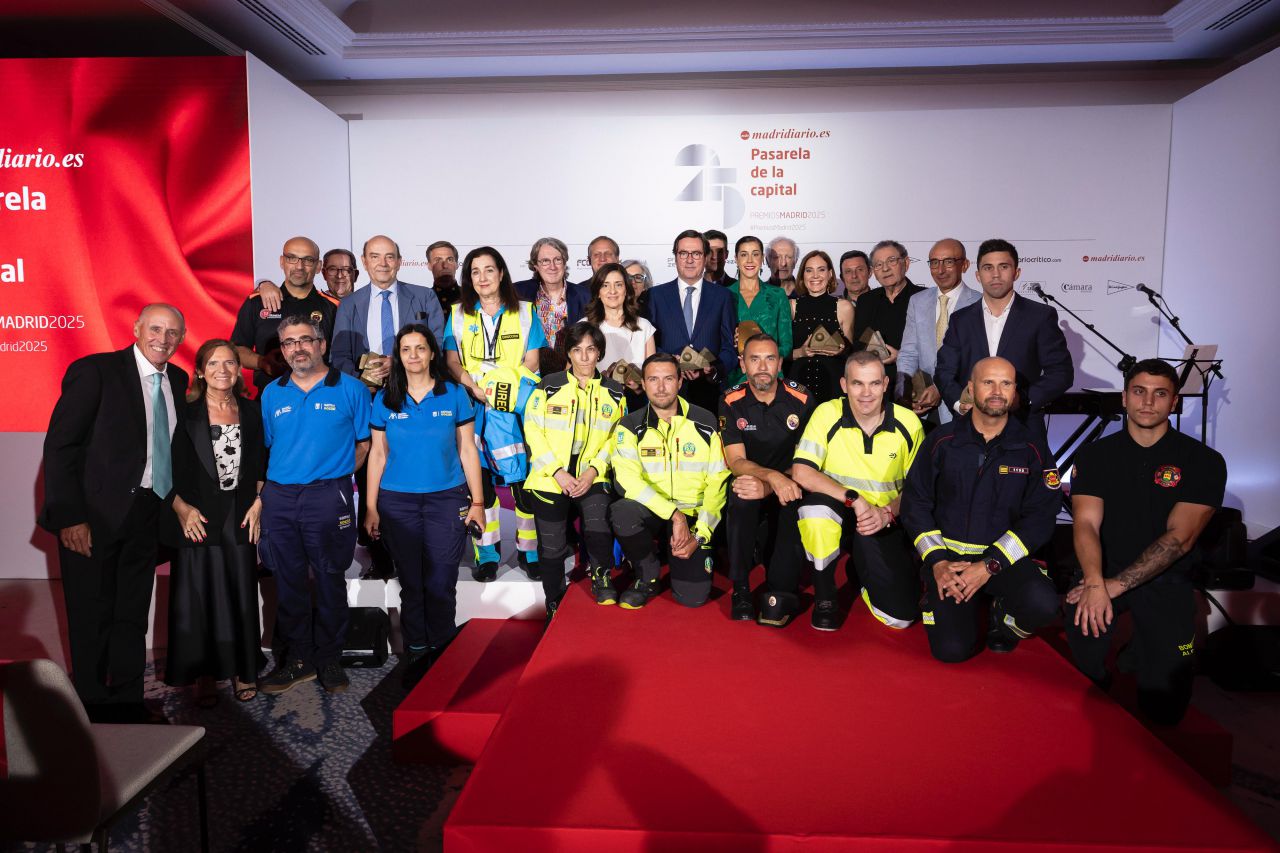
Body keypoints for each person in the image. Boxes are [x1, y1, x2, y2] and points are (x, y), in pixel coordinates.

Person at [39, 304, 188, 723]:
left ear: (181, 338)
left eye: (172, 332)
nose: (163, 339)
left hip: (148, 514)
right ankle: (90, 706)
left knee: (131, 615)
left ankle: (127, 700)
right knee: (90, 614)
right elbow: (61, 447)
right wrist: (70, 517)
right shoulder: (95, 371)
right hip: (93, 518)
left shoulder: (178, 380)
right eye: (155, 329)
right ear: (137, 329)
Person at [1065, 359, 1226, 724]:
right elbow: (1085, 522)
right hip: (1103, 570)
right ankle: (1104, 674)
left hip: (1167, 580)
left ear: (1175, 402)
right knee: (1082, 641)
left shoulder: (1204, 461)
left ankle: (1143, 651)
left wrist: (1114, 586)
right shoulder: (1095, 455)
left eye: (1160, 394)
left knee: (1165, 710)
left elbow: (1179, 539)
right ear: (1124, 398)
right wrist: (1094, 582)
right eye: (1139, 392)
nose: (1148, 402)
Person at [900, 357, 1062, 662]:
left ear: (1015, 391)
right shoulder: (941, 441)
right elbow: (915, 504)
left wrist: (990, 566)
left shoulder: (1032, 448)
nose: (997, 391)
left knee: (1043, 605)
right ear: (971, 389)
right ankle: (939, 598)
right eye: (988, 382)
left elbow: (1040, 517)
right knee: (951, 651)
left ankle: (1004, 618)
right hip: (949, 564)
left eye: (1006, 383)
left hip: (1003, 563)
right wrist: (937, 562)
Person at [363, 324, 486, 689]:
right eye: (406, 349)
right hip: (397, 504)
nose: (413, 355)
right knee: (412, 583)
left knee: (441, 582)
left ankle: (443, 655)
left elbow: (468, 450)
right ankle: (417, 653)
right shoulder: (386, 398)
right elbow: (377, 455)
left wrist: (478, 502)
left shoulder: (454, 394)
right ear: (397, 356)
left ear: (433, 353)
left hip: (447, 500)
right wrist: (370, 507)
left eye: (420, 348)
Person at [258, 315, 372, 696]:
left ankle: (329, 659)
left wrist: (338, 474)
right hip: (280, 499)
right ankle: (299, 660)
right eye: (289, 343)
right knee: (288, 582)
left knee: (329, 579)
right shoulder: (272, 393)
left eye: (305, 340)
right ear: (283, 350)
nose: (298, 348)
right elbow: (270, 446)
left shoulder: (352, 389)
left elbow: (364, 443)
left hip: (328, 497)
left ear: (321, 344)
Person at [164, 340, 266, 705]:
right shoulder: (182, 412)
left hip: (240, 511)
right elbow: (161, 465)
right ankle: (205, 673)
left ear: (239, 370)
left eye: (230, 363)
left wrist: (259, 502)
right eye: (213, 363)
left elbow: (262, 462)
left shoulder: (252, 411)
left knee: (241, 593)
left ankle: (243, 670)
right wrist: (180, 508)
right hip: (196, 514)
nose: (222, 370)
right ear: (200, 371)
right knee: (199, 596)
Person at [792, 352, 924, 632]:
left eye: (874, 384)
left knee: (901, 618)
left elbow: (917, 490)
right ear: (844, 385)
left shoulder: (909, 423)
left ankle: (859, 573)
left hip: (882, 520)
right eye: (857, 384)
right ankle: (825, 596)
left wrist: (887, 513)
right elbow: (801, 472)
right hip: (838, 510)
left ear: (886, 384)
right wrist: (854, 499)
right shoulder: (826, 413)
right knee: (814, 511)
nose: (866, 393)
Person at [445, 246, 547, 581]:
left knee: (523, 485)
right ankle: (487, 554)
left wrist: (503, 388)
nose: (483, 277)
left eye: (489, 270)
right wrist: (473, 387)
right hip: (472, 406)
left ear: (501, 273)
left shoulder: (526, 311)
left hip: (515, 409)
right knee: (481, 485)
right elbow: (452, 361)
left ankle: (529, 552)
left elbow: (533, 361)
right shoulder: (458, 314)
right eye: (475, 271)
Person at [524, 322, 628, 616]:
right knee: (552, 546)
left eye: (590, 350)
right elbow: (533, 431)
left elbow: (616, 439)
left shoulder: (615, 392)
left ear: (599, 354)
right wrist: (557, 472)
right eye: (577, 350)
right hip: (550, 477)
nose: (584, 357)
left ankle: (602, 579)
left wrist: (593, 471)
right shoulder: (548, 386)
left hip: (592, 476)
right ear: (568, 354)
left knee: (598, 528)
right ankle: (554, 598)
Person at [610, 354, 729, 609]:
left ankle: (681, 554)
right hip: (654, 511)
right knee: (622, 511)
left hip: (694, 513)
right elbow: (627, 481)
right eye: (653, 379)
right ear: (643, 383)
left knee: (693, 598)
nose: (661, 387)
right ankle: (647, 574)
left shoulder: (705, 421)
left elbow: (717, 482)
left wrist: (700, 535)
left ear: (680, 382)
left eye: (668, 379)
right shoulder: (629, 426)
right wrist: (675, 515)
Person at [935, 238, 1073, 443]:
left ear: (1016, 272)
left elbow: (1062, 373)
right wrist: (959, 404)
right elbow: (944, 371)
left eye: (1004, 267)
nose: (996, 274)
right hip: (969, 428)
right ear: (978, 275)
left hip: (1023, 427)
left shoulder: (1040, 316)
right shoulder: (960, 320)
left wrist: (1021, 400)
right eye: (988, 268)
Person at [720, 334, 816, 623]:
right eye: (755, 359)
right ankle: (740, 587)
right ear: (743, 364)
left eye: (770, 358)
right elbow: (736, 461)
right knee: (741, 496)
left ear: (780, 363)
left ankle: (779, 579)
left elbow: (808, 461)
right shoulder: (730, 399)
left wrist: (777, 483)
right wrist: (769, 479)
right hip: (755, 480)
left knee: (782, 582)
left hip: (792, 482)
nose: (762, 367)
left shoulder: (803, 399)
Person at [645, 229, 738, 412]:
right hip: (666, 393)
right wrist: (671, 361)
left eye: (696, 253)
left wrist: (713, 369)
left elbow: (729, 347)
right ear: (675, 257)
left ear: (705, 257)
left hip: (709, 395)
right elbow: (650, 344)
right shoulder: (655, 296)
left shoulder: (723, 296)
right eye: (683, 253)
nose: (689, 260)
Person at [231, 236, 337, 395]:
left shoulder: (332, 307)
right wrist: (262, 362)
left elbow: (342, 355)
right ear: (282, 262)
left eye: (308, 260)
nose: (299, 266)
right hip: (270, 396)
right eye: (292, 258)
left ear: (318, 266)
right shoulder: (257, 303)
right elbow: (236, 350)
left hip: (321, 396)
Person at [897, 238, 981, 426]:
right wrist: (905, 391)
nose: (940, 270)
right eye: (934, 262)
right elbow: (908, 353)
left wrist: (941, 388)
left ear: (965, 265)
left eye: (948, 262)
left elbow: (976, 361)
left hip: (962, 406)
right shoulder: (917, 301)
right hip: (922, 406)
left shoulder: (979, 303)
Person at [854, 240, 926, 388]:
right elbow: (860, 343)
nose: (885, 268)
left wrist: (901, 357)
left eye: (891, 261)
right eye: (878, 264)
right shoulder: (866, 301)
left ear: (906, 263)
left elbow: (936, 349)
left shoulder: (925, 298)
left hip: (915, 384)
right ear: (873, 271)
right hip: (874, 385)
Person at [585, 261, 656, 410]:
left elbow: (653, 375)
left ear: (626, 289)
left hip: (636, 406)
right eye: (605, 285)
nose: (612, 291)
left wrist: (639, 386)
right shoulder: (585, 327)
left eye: (618, 285)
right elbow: (571, 376)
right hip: (595, 406)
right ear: (598, 292)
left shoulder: (644, 326)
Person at [514, 237, 590, 375]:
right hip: (528, 373)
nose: (552, 266)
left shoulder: (584, 296)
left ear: (564, 263)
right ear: (535, 266)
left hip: (571, 374)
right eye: (545, 261)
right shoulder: (518, 293)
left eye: (558, 260)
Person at [789, 249, 854, 402]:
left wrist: (841, 350)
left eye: (821, 270)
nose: (815, 275)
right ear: (802, 275)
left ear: (830, 274)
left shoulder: (844, 307)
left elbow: (852, 353)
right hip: (797, 386)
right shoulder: (790, 306)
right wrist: (800, 352)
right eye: (809, 270)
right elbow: (779, 353)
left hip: (833, 386)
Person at [726, 235, 792, 385]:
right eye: (744, 255)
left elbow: (787, 345)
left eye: (755, 254)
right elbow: (717, 342)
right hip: (735, 376)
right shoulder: (724, 295)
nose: (750, 260)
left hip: (769, 375)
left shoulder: (777, 295)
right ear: (736, 259)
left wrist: (764, 351)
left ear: (762, 258)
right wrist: (731, 341)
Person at [426, 240, 461, 312]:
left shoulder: (472, 297)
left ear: (457, 264)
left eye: (450, 260)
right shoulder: (422, 300)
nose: (445, 265)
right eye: (438, 260)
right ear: (429, 266)